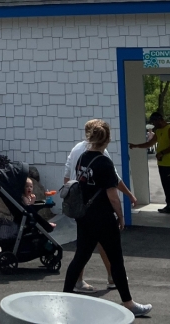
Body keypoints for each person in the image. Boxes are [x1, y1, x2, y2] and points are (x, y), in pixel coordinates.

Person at [63, 121, 152, 317]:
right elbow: (112, 196)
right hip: (103, 217)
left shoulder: (82, 158)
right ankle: (128, 303)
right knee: (116, 260)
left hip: (84, 216)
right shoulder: (104, 162)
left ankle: (65, 298)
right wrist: (120, 216)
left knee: (80, 257)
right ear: (107, 139)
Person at [129, 111, 170, 215]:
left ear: (159, 120)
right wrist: (136, 145)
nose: (154, 125)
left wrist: (162, 153)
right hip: (161, 164)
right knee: (166, 185)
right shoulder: (159, 131)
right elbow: (149, 143)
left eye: (154, 122)